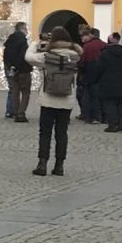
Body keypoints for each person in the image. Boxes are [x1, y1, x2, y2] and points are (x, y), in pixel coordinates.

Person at [29, 29, 79, 176]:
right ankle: (59, 166)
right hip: (67, 99)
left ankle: (42, 164)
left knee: (45, 133)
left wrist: (35, 43)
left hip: (48, 99)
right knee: (62, 133)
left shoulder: (46, 56)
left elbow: (28, 57)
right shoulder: (75, 56)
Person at [95, 36, 122, 132]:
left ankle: (112, 124)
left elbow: (99, 69)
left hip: (107, 82)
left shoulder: (104, 54)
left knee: (109, 103)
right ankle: (120, 124)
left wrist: (99, 79)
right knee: (119, 103)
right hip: (121, 82)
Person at [2, 24, 30, 122]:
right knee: (25, 92)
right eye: (26, 29)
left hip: (11, 70)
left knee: (14, 91)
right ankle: (21, 113)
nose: (27, 31)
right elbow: (24, 55)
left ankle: (14, 111)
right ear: (22, 29)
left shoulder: (9, 40)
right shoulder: (23, 40)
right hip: (23, 70)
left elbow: (5, 56)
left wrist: (10, 66)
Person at [77, 30, 106, 124]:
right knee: (101, 95)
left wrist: (80, 69)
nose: (82, 39)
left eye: (83, 36)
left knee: (88, 96)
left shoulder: (87, 46)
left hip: (89, 73)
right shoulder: (105, 45)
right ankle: (102, 115)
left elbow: (82, 61)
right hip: (102, 74)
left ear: (90, 35)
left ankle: (90, 116)